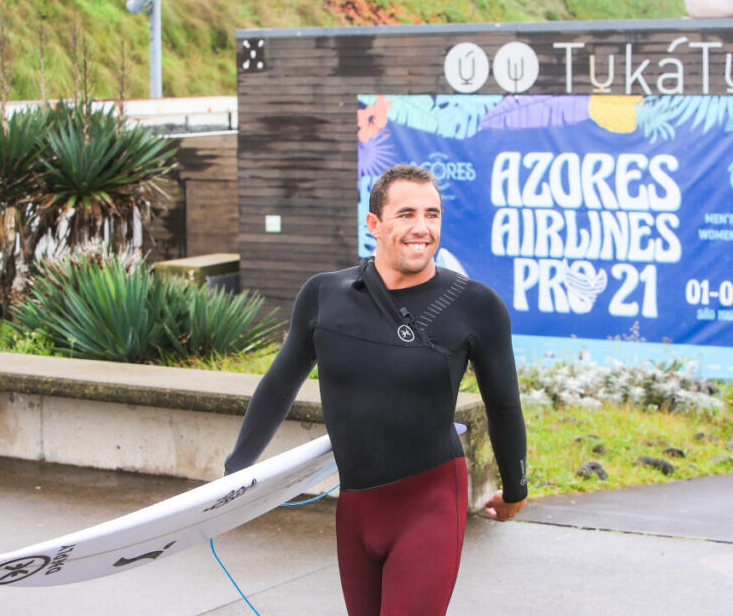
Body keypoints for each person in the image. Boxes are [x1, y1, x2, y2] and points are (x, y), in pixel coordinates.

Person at [225, 164, 528, 615]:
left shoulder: (475, 306)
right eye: (406, 214)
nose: (422, 228)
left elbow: (503, 404)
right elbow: (279, 384)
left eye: (433, 214)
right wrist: (237, 474)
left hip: (429, 503)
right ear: (374, 224)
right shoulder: (325, 294)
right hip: (356, 508)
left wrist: (516, 488)